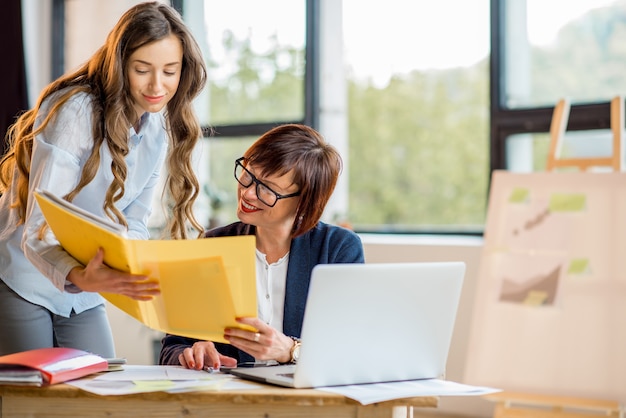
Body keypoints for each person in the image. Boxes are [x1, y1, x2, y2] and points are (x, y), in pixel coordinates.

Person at [0, 2, 207, 357]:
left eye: (170, 71)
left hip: (84, 285)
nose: (157, 85)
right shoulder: (76, 111)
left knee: (103, 391)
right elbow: (39, 225)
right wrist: (80, 276)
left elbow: (135, 222)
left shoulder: (156, 129)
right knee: (33, 402)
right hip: (21, 275)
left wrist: (134, 271)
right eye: (142, 70)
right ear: (120, 65)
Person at [160, 124, 364, 370]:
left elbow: (351, 349)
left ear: (304, 203)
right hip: (231, 399)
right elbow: (172, 347)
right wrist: (191, 353)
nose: (247, 193)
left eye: (266, 189)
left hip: (306, 400)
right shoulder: (212, 246)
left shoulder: (337, 249)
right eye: (247, 175)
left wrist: (290, 350)